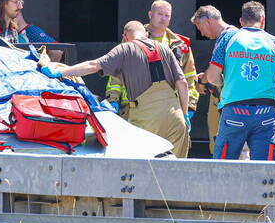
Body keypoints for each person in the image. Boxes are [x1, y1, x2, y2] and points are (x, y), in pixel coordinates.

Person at [40, 20, 191, 157]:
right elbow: (183, 83)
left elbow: (93, 65)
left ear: (125, 36)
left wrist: (60, 72)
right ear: (146, 34)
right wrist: (184, 115)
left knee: (143, 170)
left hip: (147, 120)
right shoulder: (164, 48)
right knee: (176, 172)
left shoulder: (125, 49)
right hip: (175, 118)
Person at [204, 1, 275, 160]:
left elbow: (211, 76)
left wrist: (225, 82)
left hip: (234, 111)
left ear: (241, 21)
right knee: (264, 168)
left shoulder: (229, 38)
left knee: (224, 166)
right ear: (263, 20)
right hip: (265, 112)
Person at [105, 0, 198, 125]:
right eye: (160, 14)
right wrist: (113, 98)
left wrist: (189, 106)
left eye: (167, 15)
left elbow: (189, 77)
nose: (163, 18)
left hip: (169, 110)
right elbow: (117, 70)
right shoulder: (133, 36)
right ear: (150, 14)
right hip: (134, 108)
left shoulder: (180, 45)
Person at [191, 5, 239, 155]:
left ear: (208, 21)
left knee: (221, 147)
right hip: (237, 100)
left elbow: (213, 74)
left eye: (200, 27)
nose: (201, 33)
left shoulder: (225, 39)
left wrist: (203, 81)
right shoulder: (237, 35)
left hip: (225, 103)